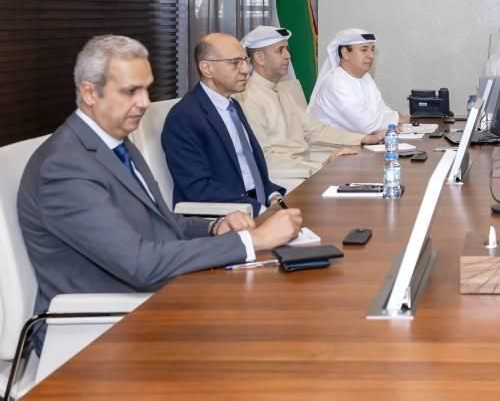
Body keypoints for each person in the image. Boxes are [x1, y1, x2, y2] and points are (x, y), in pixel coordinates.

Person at [17, 35, 302, 338]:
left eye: (146, 89)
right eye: (130, 91)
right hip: (101, 330)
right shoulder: (65, 166)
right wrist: (252, 241)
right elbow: (140, 264)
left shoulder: (116, 145)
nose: (144, 102)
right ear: (89, 93)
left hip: (157, 298)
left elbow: (160, 222)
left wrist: (214, 227)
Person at [163, 33, 286, 216]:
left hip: (255, 203)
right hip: (225, 215)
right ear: (207, 68)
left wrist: (273, 197)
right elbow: (198, 188)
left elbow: (251, 170)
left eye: (245, 61)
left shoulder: (232, 105)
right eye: (235, 63)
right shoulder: (184, 116)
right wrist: (259, 210)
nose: (245, 70)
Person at [235, 26, 383, 175]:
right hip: (285, 176)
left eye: (287, 49)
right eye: (280, 50)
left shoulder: (281, 90)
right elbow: (264, 158)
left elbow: (314, 130)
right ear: (259, 58)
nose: (288, 56)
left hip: (305, 166)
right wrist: (320, 167)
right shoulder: (247, 97)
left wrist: (364, 139)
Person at [308, 28, 400, 134]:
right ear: (345, 53)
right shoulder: (335, 83)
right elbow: (366, 125)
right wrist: (396, 118)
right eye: (364, 50)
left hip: (357, 141)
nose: (371, 55)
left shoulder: (366, 78)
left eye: (372, 50)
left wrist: (393, 121)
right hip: (329, 144)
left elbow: (382, 110)